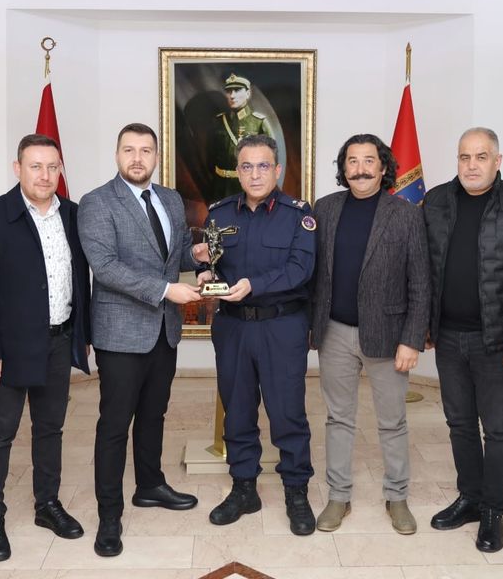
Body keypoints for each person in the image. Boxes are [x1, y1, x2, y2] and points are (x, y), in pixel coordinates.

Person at [77, 122, 205, 558]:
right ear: (117, 155)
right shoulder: (97, 202)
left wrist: (197, 255)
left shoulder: (170, 199)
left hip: (164, 331)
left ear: (156, 156)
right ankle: (109, 515)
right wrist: (168, 291)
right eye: (129, 150)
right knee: (115, 425)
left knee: (154, 415)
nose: (137, 158)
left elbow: (175, 254)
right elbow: (106, 267)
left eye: (145, 151)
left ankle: (149, 485)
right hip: (120, 334)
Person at [0, 134, 91, 562]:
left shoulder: (73, 214)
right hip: (9, 348)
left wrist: (82, 335)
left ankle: (47, 505)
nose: (45, 175)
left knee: (50, 428)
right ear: (17, 168)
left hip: (59, 340)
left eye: (52, 167)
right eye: (35, 166)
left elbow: (81, 278)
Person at [423, 127, 503, 552]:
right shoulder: (436, 201)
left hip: (496, 341)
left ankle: (493, 510)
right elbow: (424, 268)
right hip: (448, 337)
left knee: (497, 428)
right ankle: (470, 498)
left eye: (480, 156)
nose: (471, 165)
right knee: (459, 423)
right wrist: (424, 324)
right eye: (464, 157)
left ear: (498, 160)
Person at [308, 134, 429, 535]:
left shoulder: (406, 214)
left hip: (389, 336)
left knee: (392, 422)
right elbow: (312, 273)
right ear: (343, 168)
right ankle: (338, 496)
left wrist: (412, 339)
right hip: (334, 333)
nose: (360, 169)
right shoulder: (325, 209)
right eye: (352, 161)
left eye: (368, 161)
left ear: (383, 167)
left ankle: (397, 496)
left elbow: (421, 283)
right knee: (338, 419)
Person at [198, 134, 318, 536]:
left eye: (263, 165)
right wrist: (204, 273)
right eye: (247, 166)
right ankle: (244, 487)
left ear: (277, 169)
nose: (255, 174)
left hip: (281, 326)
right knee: (237, 411)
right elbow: (209, 260)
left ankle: (296, 491)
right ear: (237, 170)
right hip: (232, 327)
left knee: (287, 413)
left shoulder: (298, 215)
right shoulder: (218, 214)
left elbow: (300, 269)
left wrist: (254, 285)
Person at [209, 73, 274, 200]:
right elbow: (210, 156)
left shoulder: (259, 122)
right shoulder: (218, 121)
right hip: (220, 187)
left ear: (248, 93)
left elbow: (270, 161)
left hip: (248, 188)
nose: (232, 96)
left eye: (237, 90)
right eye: (229, 91)